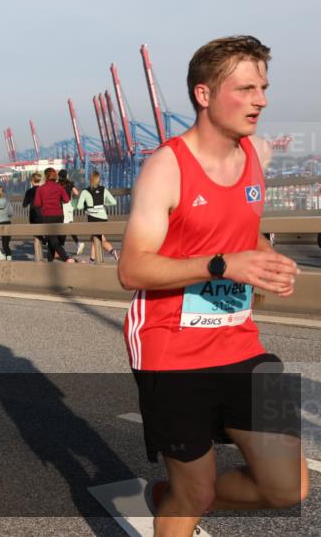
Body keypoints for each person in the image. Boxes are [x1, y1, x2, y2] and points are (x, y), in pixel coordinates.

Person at [118, 36, 307, 535]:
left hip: (239, 341)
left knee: (288, 487)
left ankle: (176, 498)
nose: (260, 100)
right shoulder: (167, 167)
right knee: (196, 491)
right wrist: (224, 265)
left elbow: (239, 232)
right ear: (204, 95)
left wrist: (265, 260)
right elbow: (132, 269)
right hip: (170, 347)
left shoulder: (257, 153)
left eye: (263, 88)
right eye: (245, 89)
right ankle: (184, 499)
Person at [77, 171, 119, 263]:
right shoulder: (104, 189)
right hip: (103, 217)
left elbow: (79, 206)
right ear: (99, 180)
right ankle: (92, 260)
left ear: (90, 179)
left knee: (99, 238)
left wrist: (87, 206)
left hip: (92, 218)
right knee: (94, 238)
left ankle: (113, 251)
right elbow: (114, 202)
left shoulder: (85, 191)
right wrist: (104, 204)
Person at [34, 168, 73, 263]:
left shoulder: (40, 189)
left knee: (52, 239)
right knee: (52, 240)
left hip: (47, 216)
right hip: (59, 215)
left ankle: (65, 258)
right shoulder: (59, 187)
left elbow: (37, 204)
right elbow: (66, 199)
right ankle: (50, 262)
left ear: (45, 176)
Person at [58, 169, 84, 255]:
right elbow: (76, 193)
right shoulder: (69, 183)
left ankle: (62, 246)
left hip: (61, 206)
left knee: (65, 226)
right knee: (68, 225)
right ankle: (77, 243)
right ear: (66, 175)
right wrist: (71, 193)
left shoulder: (58, 184)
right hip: (69, 205)